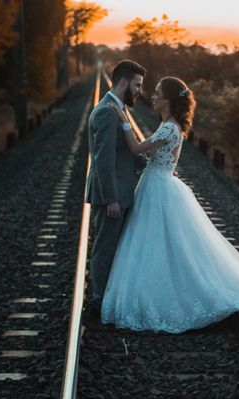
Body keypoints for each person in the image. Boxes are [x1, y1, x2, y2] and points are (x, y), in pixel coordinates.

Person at [101, 76, 239, 332]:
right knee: (163, 243)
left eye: (157, 93)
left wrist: (123, 119)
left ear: (168, 100)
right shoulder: (171, 125)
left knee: (158, 242)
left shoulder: (168, 128)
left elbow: (135, 149)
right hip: (158, 184)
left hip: (157, 187)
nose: (152, 97)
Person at [85, 59, 147, 319]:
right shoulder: (106, 112)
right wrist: (111, 198)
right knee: (106, 246)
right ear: (123, 82)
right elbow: (103, 159)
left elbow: (128, 153)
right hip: (112, 196)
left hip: (121, 192)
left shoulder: (118, 109)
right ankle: (99, 299)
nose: (140, 91)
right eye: (137, 85)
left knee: (113, 245)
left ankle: (107, 296)